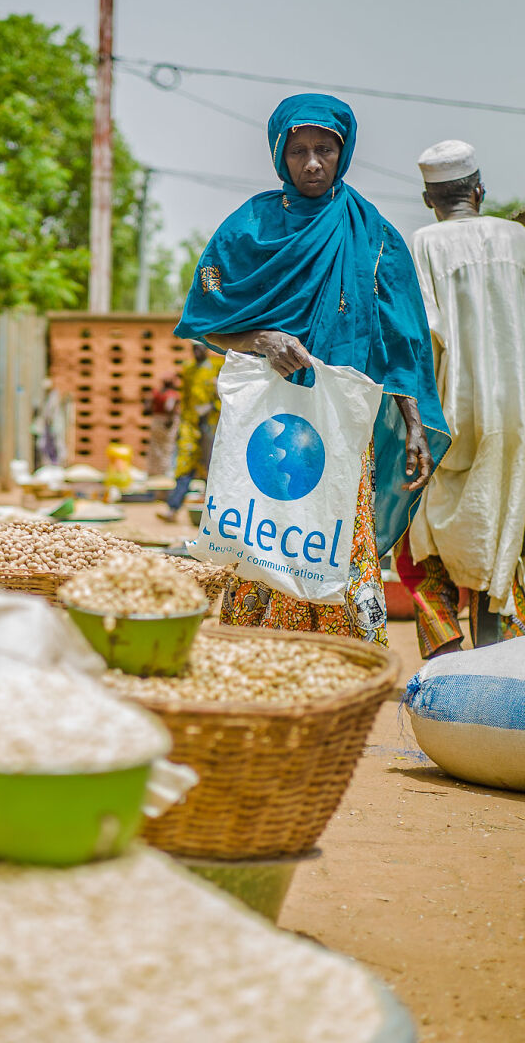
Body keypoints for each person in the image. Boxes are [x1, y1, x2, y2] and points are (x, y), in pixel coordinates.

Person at [174, 93, 450, 645]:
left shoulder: (373, 235)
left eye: (325, 149)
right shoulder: (249, 229)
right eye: (298, 150)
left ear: (343, 153)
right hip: (268, 425)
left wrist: (415, 424)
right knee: (263, 538)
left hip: (346, 428)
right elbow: (208, 318)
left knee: (337, 541)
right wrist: (261, 339)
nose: (313, 163)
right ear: (280, 154)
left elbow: (401, 344)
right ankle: (260, 665)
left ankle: (345, 673)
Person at [394, 139, 525, 657]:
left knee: (425, 553)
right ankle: (502, 678)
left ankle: (445, 679)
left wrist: (410, 424)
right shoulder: (517, 239)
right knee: (506, 542)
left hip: (446, 417)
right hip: (517, 420)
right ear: (480, 189)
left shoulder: (420, 245)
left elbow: (418, 341)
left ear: (429, 199)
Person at [157, 343, 222, 521]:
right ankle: (172, 508)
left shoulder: (216, 367)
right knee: (185, 463)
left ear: (207, 349)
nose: (197, 352)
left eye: (200, 348)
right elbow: (183, 396)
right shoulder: (188, 369)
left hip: (211, 423)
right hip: (191, 424)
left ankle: (214, 513)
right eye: (194, 348)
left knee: (212, 468)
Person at [143, 371, 179, 476]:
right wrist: (170, 419)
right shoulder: (171, 394)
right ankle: (164, 473)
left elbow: (147, 407)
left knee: (155, 447)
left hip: (156, 421)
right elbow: (169, 407)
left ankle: (153, 472)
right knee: (167, 448)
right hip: (166, 423)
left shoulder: (156, 393)